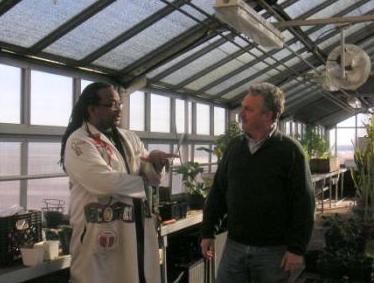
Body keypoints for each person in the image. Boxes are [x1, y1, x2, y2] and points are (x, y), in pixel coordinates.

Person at [60, 82, 176, 283]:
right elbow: (103, 180)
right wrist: (144, 183)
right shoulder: (79, 142)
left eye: (120, 104)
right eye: (112, 104)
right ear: (92, 109)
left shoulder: (128, 137)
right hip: (99, 232)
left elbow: (149, 170)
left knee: (137, 273)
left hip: (136, 228)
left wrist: (156, 162)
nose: (119, 109)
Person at [200, 82, 315, 283]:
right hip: (235, 246)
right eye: (242, 107)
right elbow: (218, 191)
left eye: (248, 109)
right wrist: (208, 231)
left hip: (274, 251)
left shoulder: (290, 151)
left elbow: (304, 202)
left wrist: (296, 249)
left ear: (268, 115)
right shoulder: (235, 147)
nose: (241, 114)